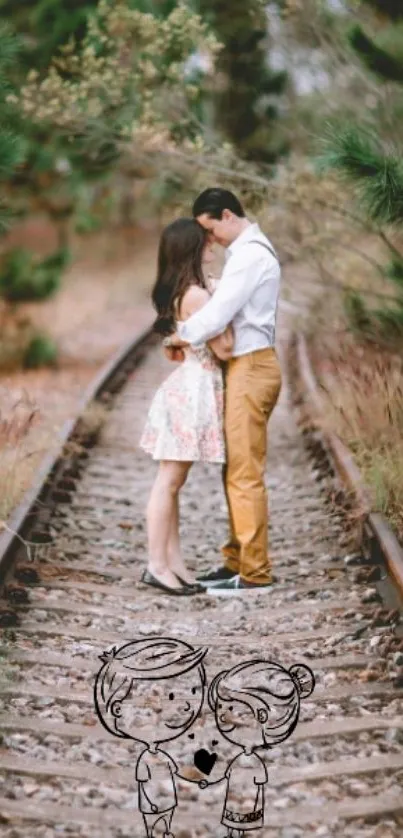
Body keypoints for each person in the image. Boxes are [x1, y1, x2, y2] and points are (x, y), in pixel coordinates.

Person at [164, 188, 282, 592]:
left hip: (251, 367)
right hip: (244, 368)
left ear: (226, 215)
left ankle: (254, 574)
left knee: (244, 473)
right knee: (235, 470)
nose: (208, 240)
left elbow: (217, 315)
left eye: (209, 229)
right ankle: (237, 562)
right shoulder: (244, 254)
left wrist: (180, 336)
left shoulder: (250, 255)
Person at [139, 218, 234, 596]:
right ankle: (157, 564)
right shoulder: (196, 294)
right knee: (169, 481)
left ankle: (173, 562)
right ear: (192, 248)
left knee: (173, 483)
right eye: (205, 240)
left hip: (189, 386)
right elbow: (224, 348)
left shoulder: (191, 290)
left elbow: (180, 345)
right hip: (193, 390)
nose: (212, 243)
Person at [94, 637, 207, 838]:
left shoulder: (161, 755)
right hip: (151, 802)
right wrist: (152, 800)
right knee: (153, 819)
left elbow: (175, 770)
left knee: (166, 818)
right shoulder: (144, 760)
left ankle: (164, 832)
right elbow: (144, 780)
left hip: (167, 799)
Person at [202, 659, 315, 836]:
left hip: (249, 800)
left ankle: (243, 829)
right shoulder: (244, 759)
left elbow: (258, 780)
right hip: (238, 798)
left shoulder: (253, 760)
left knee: (245, 816)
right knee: (236, 816)